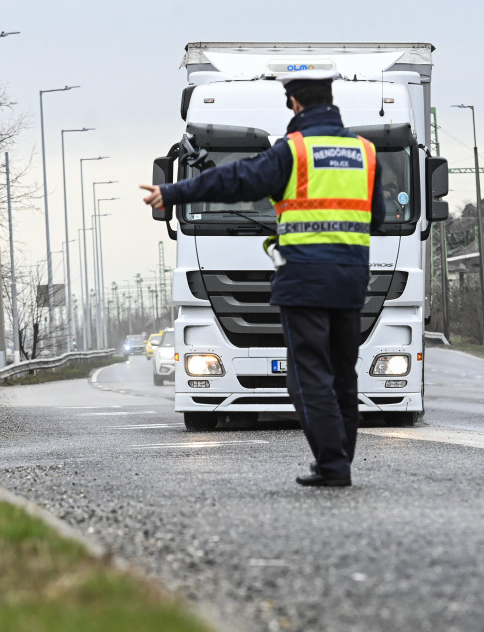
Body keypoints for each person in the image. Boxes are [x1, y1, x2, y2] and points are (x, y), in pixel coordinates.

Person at [140, 69, 384, 487]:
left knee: (308, 376)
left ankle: (332, 465)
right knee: (344, 375)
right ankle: (339, 461)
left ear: (295, 102)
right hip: (351, 280)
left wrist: (175, 193)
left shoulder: (294, 150)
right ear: (330, 99)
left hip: (305, 280)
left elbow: (237, 179)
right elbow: (375, 219)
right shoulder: (366, 152)